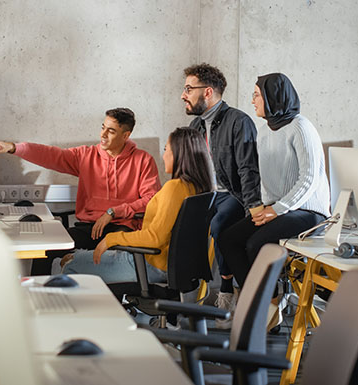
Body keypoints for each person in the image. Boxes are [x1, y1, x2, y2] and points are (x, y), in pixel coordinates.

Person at [0, 108, 161, 274]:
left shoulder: (143, 160)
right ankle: (37, 297)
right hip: (89, 228)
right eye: (103, 128)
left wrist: (114, 212)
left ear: (126, 135)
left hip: (122, 229)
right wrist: (14, 148)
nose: (103, 135)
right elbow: (51, 155)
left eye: (111, 131)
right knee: (46, 247)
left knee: (107, 260)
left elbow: (151, 199)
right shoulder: (86, 156)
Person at [218, 73, 330, 331]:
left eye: (257, 94)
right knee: (229, 239)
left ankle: (269, 304)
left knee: (257, 242)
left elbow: (309, 178)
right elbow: (262, 179)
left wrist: (276, 210)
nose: (252, 100)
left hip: (309, 213)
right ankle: (259, 304)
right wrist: (259, 209)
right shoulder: (263, 132)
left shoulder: (301, 128)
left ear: (273, 97)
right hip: (278, 211)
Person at [62, 127, 212, 284]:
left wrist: (110, 239)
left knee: (70, 263)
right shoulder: (198, 188)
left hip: (151, 265)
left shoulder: (174, 188)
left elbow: (155, 238)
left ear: (179, 154)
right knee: (76, 258)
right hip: (174, 265)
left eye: (166, 149)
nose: (163, 155)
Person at [182, 64, 262, 327]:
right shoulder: (195, 125)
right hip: (208, 195)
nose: (184, 95)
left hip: (234, 196)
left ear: (207, 92)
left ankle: (226, 291)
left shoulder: (239, 122)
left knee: (218, 224)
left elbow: (248, 169)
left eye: (188, 89)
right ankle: (186, 298)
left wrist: (253, 207)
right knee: (182, 224)